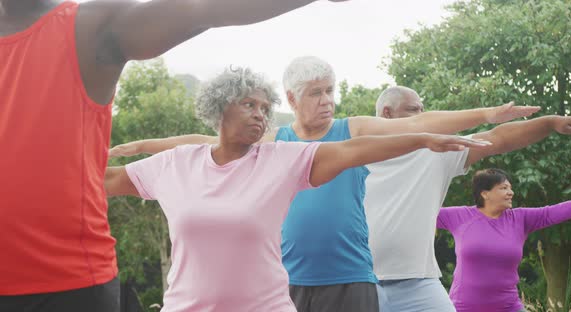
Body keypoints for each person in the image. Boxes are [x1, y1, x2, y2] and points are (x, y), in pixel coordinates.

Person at [108, 56, 539, 311]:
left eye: (331, 91)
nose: (327, 100)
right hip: (283, 283)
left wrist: (447, 129)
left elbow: (375, 144)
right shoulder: (259, 149)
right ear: (293, 99)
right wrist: (142, 143)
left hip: (347, 280)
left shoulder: (307, 147)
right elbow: (196, 144)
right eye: (316, 92)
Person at [0, 1, 348, 311]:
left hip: (66, 286)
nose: (257, 114)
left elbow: (203, 9)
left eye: (261, 107)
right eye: (248, 105)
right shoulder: (179, 162)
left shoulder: (87, 29)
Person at [364, 86, 571, 312]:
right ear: (387, 113)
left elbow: (498, 139)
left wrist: (549, 123)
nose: (424, 117)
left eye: (425, 110)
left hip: (418, 283)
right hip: (360, 278)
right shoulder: (354, 153)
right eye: (414, 110)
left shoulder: (436, 151)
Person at [436, 168, 571, 312]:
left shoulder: (521, 219)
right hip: (464, 307)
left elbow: (559, 211)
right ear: (485, 193)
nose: (511, 192)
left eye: (510, 188)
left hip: (508, 307)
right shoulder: (459, 216)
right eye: (504, 188)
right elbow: (420, 212)